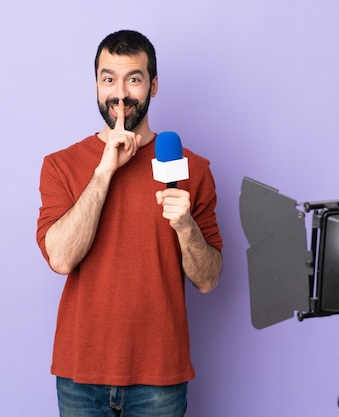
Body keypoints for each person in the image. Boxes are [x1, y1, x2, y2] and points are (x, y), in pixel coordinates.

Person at [36, 29, 223, 417]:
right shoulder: (60, 166)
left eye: (133, 79)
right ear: (96, 86)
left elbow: (208, 279)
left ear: (153, 86)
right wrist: (104, 171)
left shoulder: (195, 169)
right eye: (109, 79)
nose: (120, 93)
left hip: (160, 377)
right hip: (79, 376)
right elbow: (61, 259)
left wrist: (186, 226)